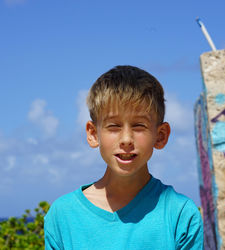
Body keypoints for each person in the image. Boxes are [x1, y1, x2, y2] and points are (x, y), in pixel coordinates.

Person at [44, 65, 204, 249]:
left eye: (139, 126)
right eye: (113, 126)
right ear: (93, 134)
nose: (126, 139)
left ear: (160, 136)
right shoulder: (63, 215)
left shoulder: (181, 215)